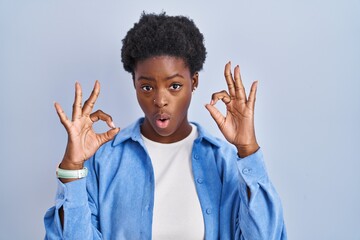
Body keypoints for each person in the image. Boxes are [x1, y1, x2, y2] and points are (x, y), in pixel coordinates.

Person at [44, 12, 287, 240]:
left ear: (194, 82)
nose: (160, 100)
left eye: (174, 86)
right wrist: (72, 167)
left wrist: (248, 150)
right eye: (147, 87)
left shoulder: (223, 162)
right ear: (135, 84)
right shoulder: (104, 161)